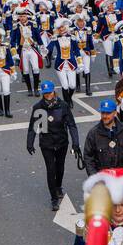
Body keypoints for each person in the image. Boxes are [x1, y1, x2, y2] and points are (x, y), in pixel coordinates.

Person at [27, 80, 83, 209]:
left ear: (54, 92)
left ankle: (58, 187)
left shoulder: (63, 106)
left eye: (50, 93)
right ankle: (53, 198)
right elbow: (33, 127)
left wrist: (76, 143)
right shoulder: (38, 107)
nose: (48, 95)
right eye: (45, 93)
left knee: (60, 167)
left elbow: (71, 125)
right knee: (50, 170)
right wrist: (29, 143)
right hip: (46, 144)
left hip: (62, 142)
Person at [82, 99, 123, 178]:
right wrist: (95, 178)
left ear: (115, 113)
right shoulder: (93, 134)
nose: (105, 116)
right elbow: (88, 158)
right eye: (103, 113)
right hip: (103, 180)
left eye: (108, 113)